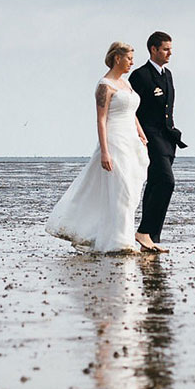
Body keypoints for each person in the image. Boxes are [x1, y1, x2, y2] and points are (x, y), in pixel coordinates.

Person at [45, 42, 152, 253]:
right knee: (120, 189)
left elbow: (131, 112)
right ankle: (120, 242)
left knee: (130, 191)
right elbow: (101, 120)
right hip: (114, 141)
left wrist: (140, 132)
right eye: (129, 58)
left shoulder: (126, 84)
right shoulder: (105, 85)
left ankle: (122, 235)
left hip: (131, 140)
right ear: (117, 58)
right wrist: (104, 151)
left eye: (132, 58)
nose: (132, 62)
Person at [131, 31, 185, 253]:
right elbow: (131, 110)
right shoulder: (139, 75)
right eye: (165, 49)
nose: (169, 53)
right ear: (153, 49)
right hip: (148, 137)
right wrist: (138, 136)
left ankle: (151, 237)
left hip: (168, 138)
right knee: (166, 182)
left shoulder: (168, 74)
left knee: (155, 184)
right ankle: (144, 230)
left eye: (170, 48)